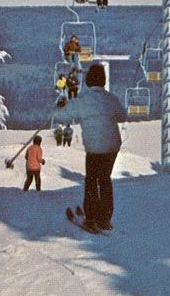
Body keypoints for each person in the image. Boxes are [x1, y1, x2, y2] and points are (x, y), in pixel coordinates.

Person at [52, 64, 125, 231]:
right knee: (105, 178)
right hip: (112, 147)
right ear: (103, 80)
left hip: (94, 148)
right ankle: (104, 218)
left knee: (92, 179)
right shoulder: (111, 98)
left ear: (88, 81)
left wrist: (59, 106)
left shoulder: (82, 100)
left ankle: (91, 217)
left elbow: (62, 117)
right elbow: (122, 115)